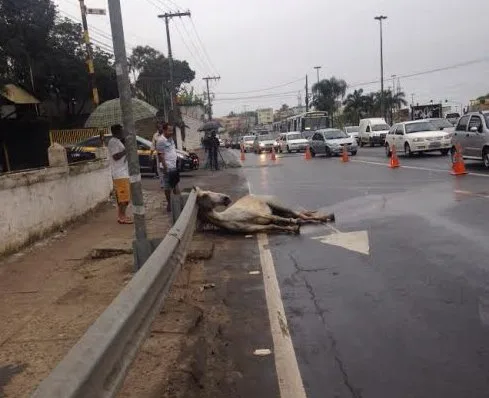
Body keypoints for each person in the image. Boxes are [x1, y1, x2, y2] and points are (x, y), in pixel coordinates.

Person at [107, 124, 133, 224]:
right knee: (124, 199)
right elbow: (116, 156)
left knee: (124, 198)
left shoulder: (117, 141)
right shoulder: (113, 142)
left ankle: (122, 216)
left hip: (123, 172)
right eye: (121, 131)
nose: (122, 133)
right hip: (119, 174)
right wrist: (126, 150)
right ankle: (122, 217)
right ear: (116, 132)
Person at [156, 123, 180, 212]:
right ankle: (170, 204)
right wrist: (165, 168)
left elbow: (172, 150)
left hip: (173, 165)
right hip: (167, 167)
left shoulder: (170, 139)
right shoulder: (161, 140)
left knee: (175, 184)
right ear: (164, 130)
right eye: (169, 130)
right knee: (168, 186)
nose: (171, 132)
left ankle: (177, 203)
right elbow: (161, 156)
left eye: (172, 130)